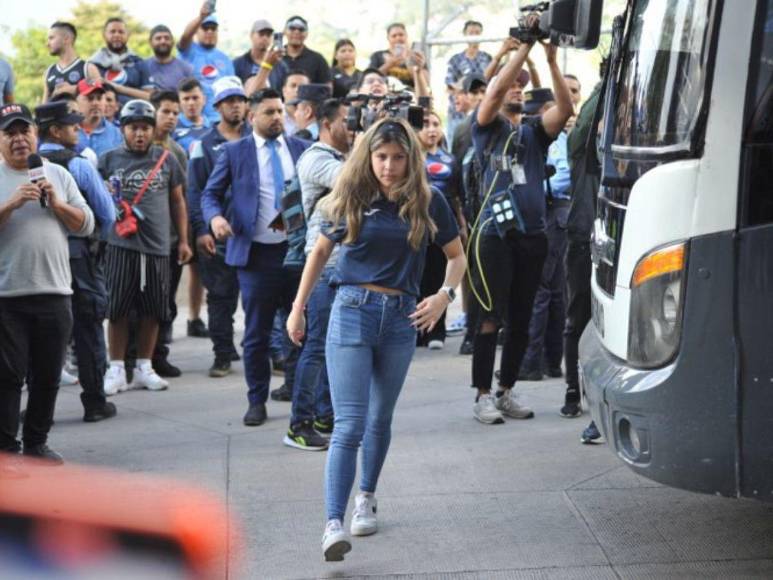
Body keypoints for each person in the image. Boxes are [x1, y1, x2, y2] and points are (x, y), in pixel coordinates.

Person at [286, 117, 464, 560]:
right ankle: (332, 523)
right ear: (368, 156)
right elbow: (320, 252)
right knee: (349, 424)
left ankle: (366, 495)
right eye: (381, 157)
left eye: (398, 158)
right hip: (351, 312)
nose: (389, 166)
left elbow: (456, 256)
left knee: (380, 419)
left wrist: (444, 296)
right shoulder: (351, 195)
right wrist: (298, 307)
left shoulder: (428, 200)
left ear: (411, 159)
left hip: (403, 319)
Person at [469, 37, 573, 425]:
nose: (517, 87)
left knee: (521, 317)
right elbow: (493, 90)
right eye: (513, 82)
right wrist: (522, 49)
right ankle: (481, 394)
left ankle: (506, 389)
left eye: (522, 85)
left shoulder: (532, 132)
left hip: (532, 234)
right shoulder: (486, 126)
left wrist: (550, 60)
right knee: (489, 318)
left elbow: (564, 109)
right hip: (494, 236)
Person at [201, 88, 310, 426]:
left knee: (301, 329)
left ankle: (297, 394)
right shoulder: (235, 152)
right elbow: (210, 194)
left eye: (280, 111)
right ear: (252, 117)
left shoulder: (302, 149)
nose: (277, 117)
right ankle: (256, 400)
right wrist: (215, 218)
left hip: (298, 255)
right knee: (257, 334)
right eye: (269, 112)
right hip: (256, 256)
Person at [0, 103, 95, 464]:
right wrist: (9, 204)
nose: (19, 138)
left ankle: (37, 443)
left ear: (36, 135)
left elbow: (85, 224)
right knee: (8, 377)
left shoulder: (57, 174)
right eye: (10, 132)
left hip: (55, 292)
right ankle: (7, 449)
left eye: (25, 131)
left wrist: (57, 203)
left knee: (47, 375)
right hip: (7, 296)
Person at [100, 100, 192, 395]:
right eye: (133, 128)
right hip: (119, 245)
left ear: (153, 130)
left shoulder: (167, 159)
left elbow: (178, 201)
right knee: (118, 308)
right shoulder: (108, 160)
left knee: (154, 308)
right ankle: (115, 368)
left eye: (145, 128)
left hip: (157, 247)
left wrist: (184, 240)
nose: (139, 134)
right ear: (123, 130)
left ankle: (144, 366)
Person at [34, 100, 117, 422]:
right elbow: (106, 215)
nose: (78, 130)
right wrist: (96, 244)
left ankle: (41, 411)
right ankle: (95, 402)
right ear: (55, 130)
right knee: (88, 327)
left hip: (42, 261)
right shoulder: (78, 164)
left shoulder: (26, 166)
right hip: (80, 258)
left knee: (42, 333)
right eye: (71, 125)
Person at [283, 98, 350, 451]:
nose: (350, 126)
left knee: (332, 344)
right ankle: (299, 424)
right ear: (326, 124)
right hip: (323, 263)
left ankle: (324, 414)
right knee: (316, 345)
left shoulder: (342, 155)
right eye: (345, 120)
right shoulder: (316, 158)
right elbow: (353, 181)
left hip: (343, 262)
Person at [188, 76, 250, 378]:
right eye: (229, 101)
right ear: (218, 106)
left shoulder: (257, 137)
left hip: (255, 235)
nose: (235, 105)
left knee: (262, 298)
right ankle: (223, 355)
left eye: (239, 100)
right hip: (219, 235)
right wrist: (201, 230)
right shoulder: (204, 144)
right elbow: (196, 190)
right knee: (221, 298)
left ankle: (269, 352)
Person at [519, 87, 572, 383]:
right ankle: (552, 361)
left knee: (542, 289)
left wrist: (533, 185)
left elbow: (564, 175)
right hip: (553, 213)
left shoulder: (557, 141)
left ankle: (533, 362)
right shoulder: (540, 139)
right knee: (552, 292)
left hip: (554, 211)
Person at [148, 89, 190, 378]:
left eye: (176, 113)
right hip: (136, 242)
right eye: (166, 111)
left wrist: (185, 240)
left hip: (170, 242)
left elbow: (182, 200)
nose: (172, 117)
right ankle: (129, 358)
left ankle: (158, 355)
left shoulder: (177, 152)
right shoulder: (131, 147)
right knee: (135, 303)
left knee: (166, 302)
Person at [416, 110, 465, 350]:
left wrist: (462, 226)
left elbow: (457, 197)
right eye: (425, 124)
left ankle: (437, 329)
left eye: (436, 123)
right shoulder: (410, 159)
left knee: (439, 277)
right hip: (416, 224)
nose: (432, 129)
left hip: (443, 227)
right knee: (417, 278)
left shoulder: (450, 160)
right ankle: (416, 330)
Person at [178, 5, 235, 123]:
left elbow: (231, 90)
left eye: (213, 29)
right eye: (205, 28)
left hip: (219, 120)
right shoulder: (188, 50)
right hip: (193, 120)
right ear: (197, 31)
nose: (209, 31)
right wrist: (201, 17)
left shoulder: (225, 59)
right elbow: (184, 37)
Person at [445, 21, 492, 141]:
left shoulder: (487, 58)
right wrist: (466, 87)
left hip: (482, 110)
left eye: (477, 33)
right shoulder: (456, 59)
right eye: (471, 32)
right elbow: (450, 86)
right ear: (465, 35)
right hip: (458, 113)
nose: (474, 36)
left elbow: (491, 83)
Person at [90, 17, 153, 104]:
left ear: (128, 35)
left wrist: (118, 88)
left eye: (121, 32)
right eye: (112, 31)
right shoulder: (93, 63)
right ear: (104, 35)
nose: (117, 35)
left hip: (133, 115)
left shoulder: (138, 62)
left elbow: (150, 97)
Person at [43, 22, 100, 102]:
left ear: (66, 39)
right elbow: (44, 107)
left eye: (51, 38)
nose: (47, 44)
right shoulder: (49, 71)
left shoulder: (87, 68)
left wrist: (76, 89)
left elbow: (99, 91)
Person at [233, 19, 288, 95]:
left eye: (268, 35)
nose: (265, 38)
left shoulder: (280, 66)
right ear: (251, 35)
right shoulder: (238, 64)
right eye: (261, 34)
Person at [368, 23, 428, 90]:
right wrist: (389, 64)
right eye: (394, 36)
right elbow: (369, 79)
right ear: (388, 38)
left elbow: (426, 82)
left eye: (401, 35)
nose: (398, 38)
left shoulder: (416, 56)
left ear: (406, 36)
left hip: (410, 96)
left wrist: (409, 61)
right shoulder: (377, 55)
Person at [75, 79, 122, 157]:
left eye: (99, 98)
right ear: (76, 102)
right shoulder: (67, 132)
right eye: (90, 98)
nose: (96, 103)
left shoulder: (117, 134)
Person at [281, 16, 331, 85]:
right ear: (284, 31)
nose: (296, 32)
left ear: (307, 34)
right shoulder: (275, 57)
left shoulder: (318, 59)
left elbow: (327, 87)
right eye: (292, 28)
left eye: (301, 29)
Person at [145, 25, 194, 91]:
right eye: (158, 38)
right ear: (150, 42)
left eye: (167, 38)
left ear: (172, 42)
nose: (163, 41)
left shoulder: (185, 69)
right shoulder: (142, 67)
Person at [173, 77, 211, 154]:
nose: (191, 103)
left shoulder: (214, 127)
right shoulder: (172, 127)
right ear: (179, 103)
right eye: (186, 99)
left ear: (204, 100)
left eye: (195, 98)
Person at [281, 69, 310, 136]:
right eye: (293, 86)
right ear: (284, 91)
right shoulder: (274, 115)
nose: (297, 90)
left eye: (302, 87)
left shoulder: (316, 118)